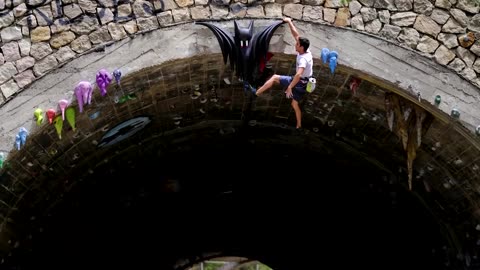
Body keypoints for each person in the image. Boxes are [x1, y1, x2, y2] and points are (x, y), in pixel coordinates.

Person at [250, 17, 313, 131]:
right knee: (294, 104)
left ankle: (256, 93)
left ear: (301, 47)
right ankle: (299, 125)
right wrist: (289, 22)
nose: (295, 44)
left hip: (299, 82)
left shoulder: (304, 59)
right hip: (305, 84)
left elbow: (298, 75)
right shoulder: (306, 50)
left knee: (274, 78)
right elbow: (296, 35)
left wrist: (290, 87)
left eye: (297, 44)